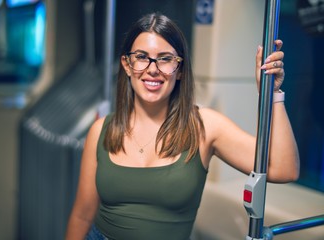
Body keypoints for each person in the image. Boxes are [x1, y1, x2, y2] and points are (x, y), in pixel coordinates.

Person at [65, 12, 300, 240]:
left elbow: (283, 168)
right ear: (127, 65)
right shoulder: (101, 130)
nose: (152, 68)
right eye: (141, 57)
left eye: (166, 59)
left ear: (179, 70)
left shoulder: (204, 126)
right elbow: (82, 216)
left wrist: (272, 93)